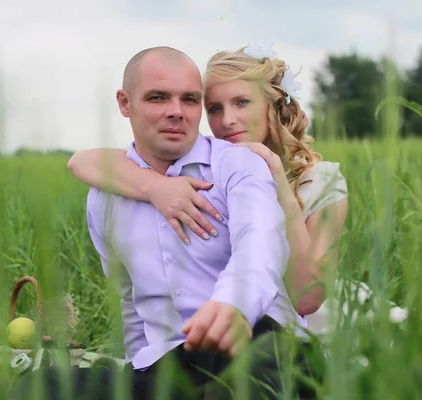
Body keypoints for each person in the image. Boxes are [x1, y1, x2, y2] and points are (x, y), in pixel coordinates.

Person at [67, 42, 350, 337]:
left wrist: (278, 183)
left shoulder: (319, 182)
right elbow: (82, 161)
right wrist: (156, 187)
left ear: (272, 104)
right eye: (214, 108)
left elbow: (307, 299)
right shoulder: (205, 169)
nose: (227, 120)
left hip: (293, 329)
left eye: (241, 102)